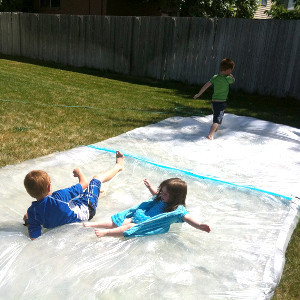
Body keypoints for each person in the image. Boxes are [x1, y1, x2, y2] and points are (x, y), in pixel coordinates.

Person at [23, 151, 124, 240]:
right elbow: (85, 183)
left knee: (76, 199)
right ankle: (119, 166)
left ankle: (98, 192)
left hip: (73, 211)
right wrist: (79, 173)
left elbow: (34, 237)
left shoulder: (32, 212)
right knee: (96, 179)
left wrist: (29, 222)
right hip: (87, 210)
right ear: (49, 187)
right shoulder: (59, 196)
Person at [83, 178, 210, 238]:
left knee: (129, 227)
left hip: (147, 224)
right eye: (162, 191)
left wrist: (199, 225)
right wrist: (150, 187)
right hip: (140, 216)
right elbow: (156, 194)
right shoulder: (161, 197)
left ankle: (106, 233)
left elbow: (187, 218)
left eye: (165, 194)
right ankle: (95, 224)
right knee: (121, 221)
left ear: (175, 197)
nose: (161, 195)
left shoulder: (178, 210)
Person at [193, 58, 235, 140]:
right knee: (217, 121)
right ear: (229, 70)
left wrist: (199, 94)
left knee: (216, 117)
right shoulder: (228, 79)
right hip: (221, 103)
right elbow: (233, 80)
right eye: (231, 70)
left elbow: (206, 85)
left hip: (213, 103)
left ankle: (216, 130)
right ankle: (210, 135)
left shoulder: (215, 77)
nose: (231, 72)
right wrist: (231, 76)